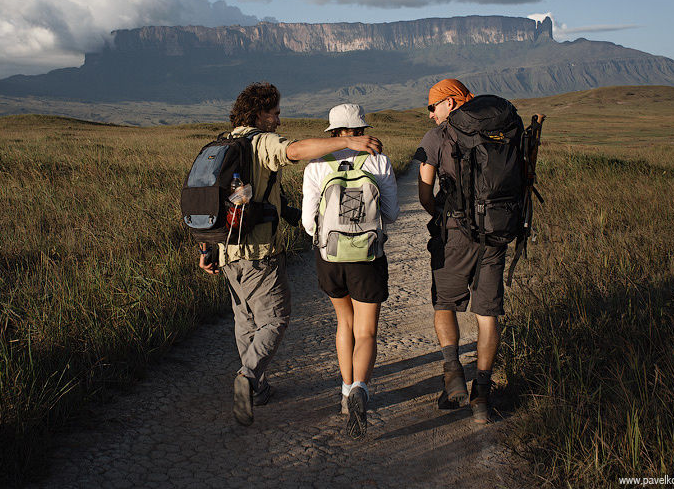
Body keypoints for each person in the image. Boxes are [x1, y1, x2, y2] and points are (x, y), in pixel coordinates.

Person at [197, 83, 384, 427]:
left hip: (224, 251)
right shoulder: (260, 141)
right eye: (276, 113)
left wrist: (206, 247)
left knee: (246, 320)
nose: (279, 121)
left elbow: (211, 199)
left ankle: (260, 386)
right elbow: (296, 151)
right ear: (259, 114)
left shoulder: (222, 143)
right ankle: (249, 376)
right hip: (258, 251)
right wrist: (347, 142)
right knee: (276, 318)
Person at [301, 103, 399, 438]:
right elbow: (393, 213)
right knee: (367, 331)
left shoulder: (316, 164)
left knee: (344, 322)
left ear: (333, 132)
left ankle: (345, 394)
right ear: (360, 129)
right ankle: (361, 388)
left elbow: (306, 222)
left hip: (330, 257)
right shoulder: (378, 160)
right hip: (368, 257)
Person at [414, 78, 507, 424]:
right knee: (487, 315)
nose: (430, 114)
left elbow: (425, 194)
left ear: (451, 103)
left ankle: (453, 377)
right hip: (496, 232)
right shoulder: (501, 129)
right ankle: (482, 396)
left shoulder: (438, 137)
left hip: (455, 235)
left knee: (444, 304)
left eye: (433, 106)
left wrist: (442, 216)